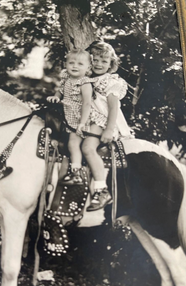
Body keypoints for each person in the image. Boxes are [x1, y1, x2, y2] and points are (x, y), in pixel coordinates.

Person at [82, 41, 133, 211]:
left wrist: (110, 129)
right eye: (95, 60)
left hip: (104, 121)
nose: (98, 64)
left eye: (104, 61)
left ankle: (101, 190)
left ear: (111, 64)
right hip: (89, 120)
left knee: (88, 148)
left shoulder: (111, 81)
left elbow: (113, 107)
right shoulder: (86, 79)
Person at [47, 49, 94, 185]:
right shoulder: (66, 79)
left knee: (73, 144)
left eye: (80, 64)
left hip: (77, 118)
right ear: (66, 64)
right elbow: (60, 91)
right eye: (71, 63)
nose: (75, 66)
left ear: (88, 68)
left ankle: (76, 172)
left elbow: (87, 104)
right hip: (65, 115)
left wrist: (82, 123)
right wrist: (56, 97)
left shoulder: (85, 83)